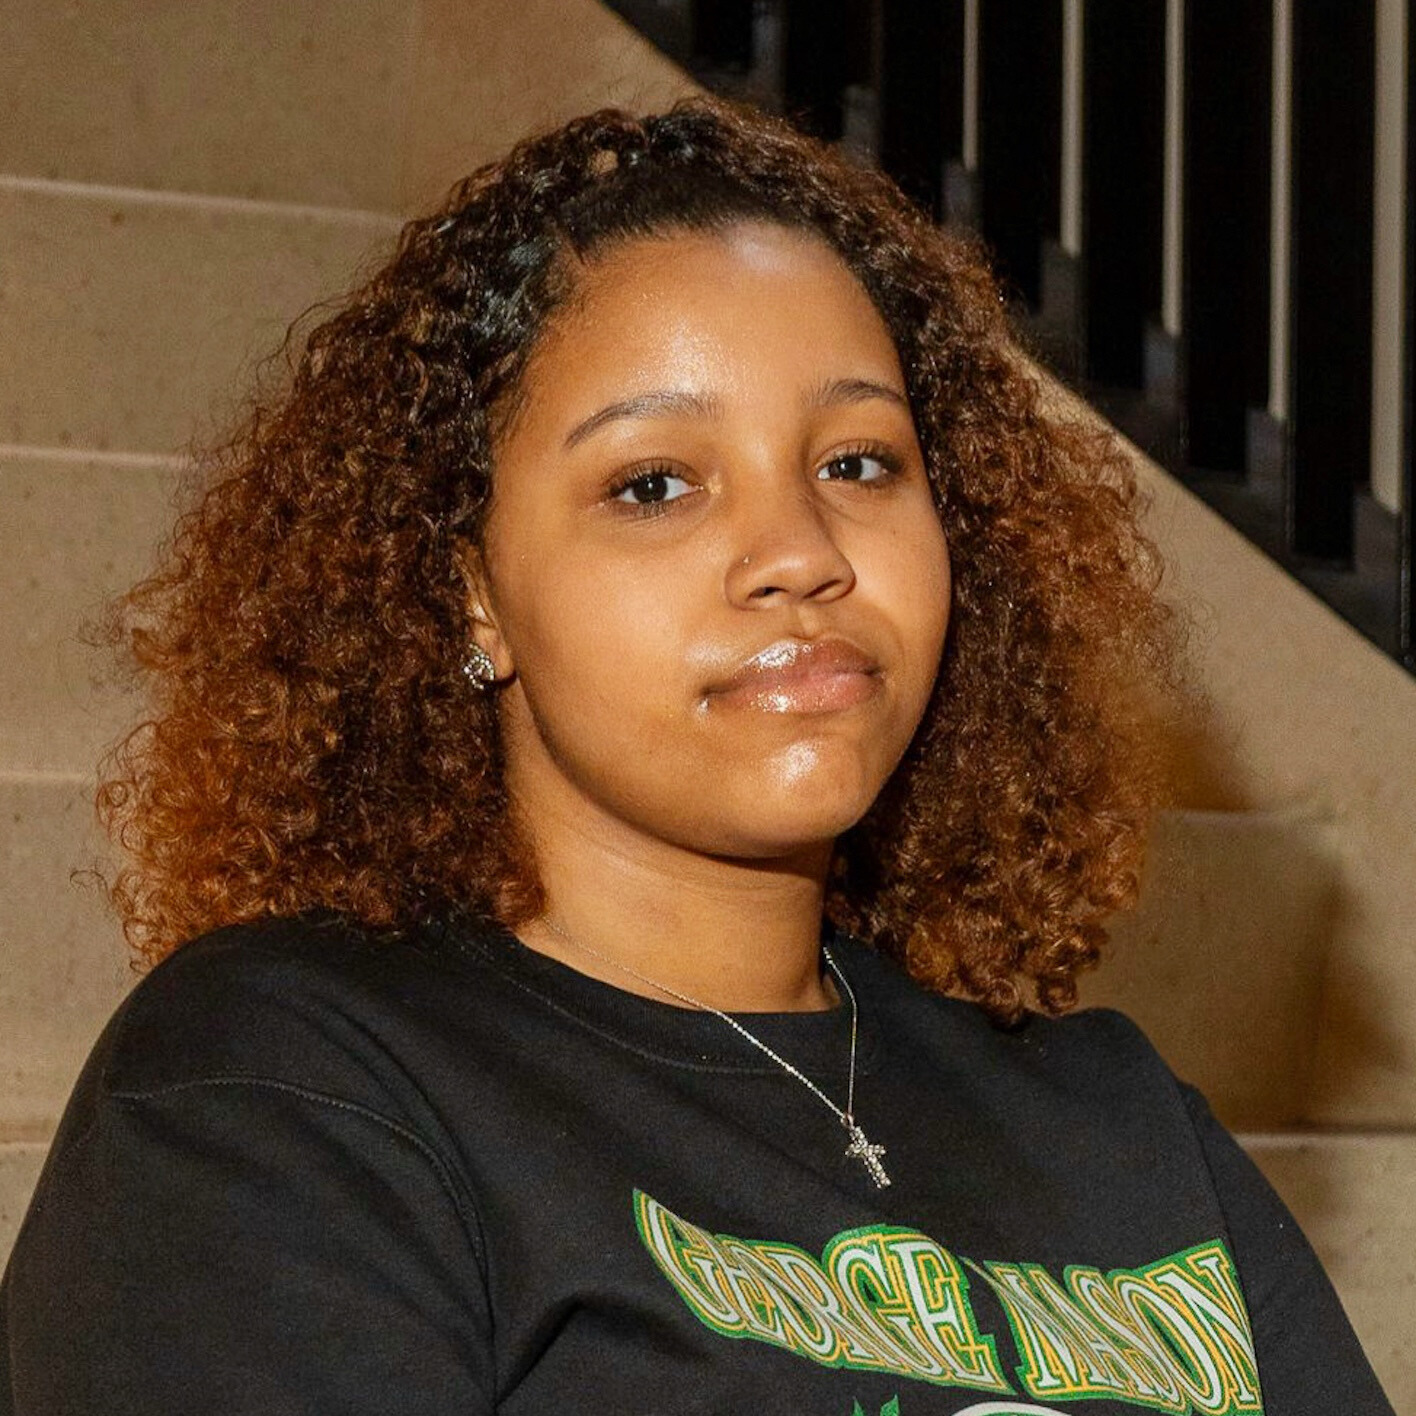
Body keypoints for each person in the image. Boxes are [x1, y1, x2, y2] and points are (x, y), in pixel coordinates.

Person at [0, 99, 1392, 1415]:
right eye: (654, 484)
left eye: (858, 463)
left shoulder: (1118, 1121)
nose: (800, 553)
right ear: (469, 593)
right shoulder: (283, 1091)